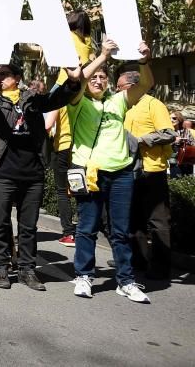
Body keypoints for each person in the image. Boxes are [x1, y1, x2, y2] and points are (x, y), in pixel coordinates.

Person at [0, 60, 80, 291]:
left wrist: (73, 81)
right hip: (1, 173)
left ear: (18, 77)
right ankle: (1, 267)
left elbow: (57, 99)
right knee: (0, 223)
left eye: (4, 74)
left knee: (29, 226)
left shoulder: (32, 98)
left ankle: (27, 270)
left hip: (32, 174)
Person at [68, 38, 153, 303]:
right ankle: (83, 276)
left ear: (108, 81)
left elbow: (146, 84)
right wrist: (103, 56)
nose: (98, 80)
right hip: (91, 173)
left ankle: (125, 281)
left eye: (103, 77)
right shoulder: (78, 102)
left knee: (121, 230)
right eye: (94, 77)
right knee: (87, 227)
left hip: (121, 173)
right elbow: (80, 80)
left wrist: (144, 61)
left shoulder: (118, 101)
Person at [119, 69, 175, 280]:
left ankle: (161, 268)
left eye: (120, 87)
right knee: (134, 219)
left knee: (158, 221)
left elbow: (169, 134)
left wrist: (141, 140)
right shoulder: (124, 106)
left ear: (133, 86)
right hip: (128, 169)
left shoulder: (154, 104)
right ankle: (138, 261)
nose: (117, 91)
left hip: (152, 170)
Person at [48, 10, 94, 246]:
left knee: (60, 189)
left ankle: (68, 231)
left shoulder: (67, 39)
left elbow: (49, 122)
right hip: (80, 146)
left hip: (63, 143)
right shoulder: (88, 43)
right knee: (79, 187)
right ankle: (85, 228)